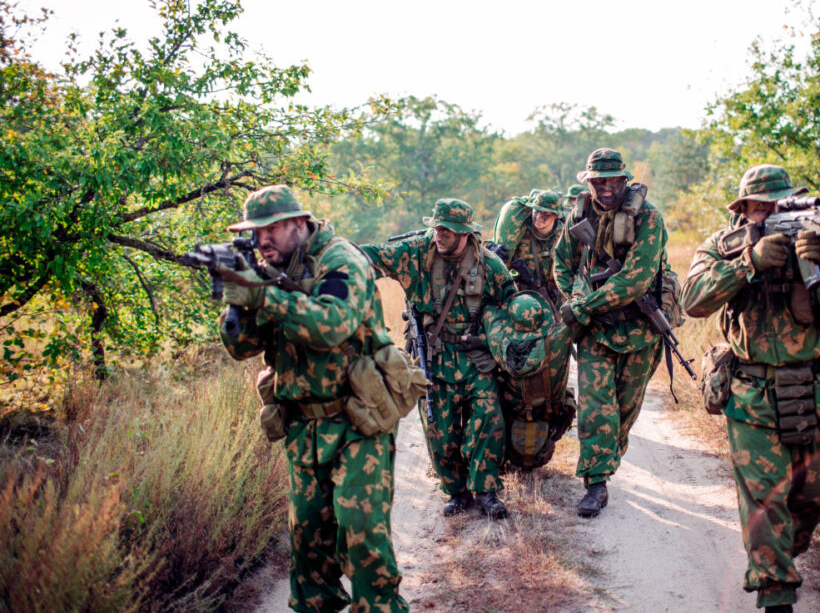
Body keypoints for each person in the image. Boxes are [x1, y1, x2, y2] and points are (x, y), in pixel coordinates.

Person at [681, 164, 820, 612]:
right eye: (762, 206)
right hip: (752, 394)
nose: (772, 212)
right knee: (767, 503)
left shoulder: (819, 243)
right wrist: (747, 263)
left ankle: (781, 557)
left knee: (814, 499)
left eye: (782, 204)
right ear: (744, 209)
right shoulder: (721, 246)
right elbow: (692, 301)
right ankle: (776, 594)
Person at [217, 185, 409, 613]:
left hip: (358, 420)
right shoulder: (269, 269)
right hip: (303, 425)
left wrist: (265, 296)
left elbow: (332, 326)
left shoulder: (341, 260)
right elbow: (241, 348)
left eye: (272, 229)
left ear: (300, 224)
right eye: (255, 232)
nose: (262, 240)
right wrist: (239, 301)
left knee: (362, 538)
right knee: (307, 545)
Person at [362, 198, 516, 519]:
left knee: (487, 420)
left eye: (447, 230)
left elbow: (511, 306)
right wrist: (329, 254)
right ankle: (456, 492)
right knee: (439, 431)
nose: (439, 234)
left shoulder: (489, 265)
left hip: (476, 359)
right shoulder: (416, 253)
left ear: (465, 233)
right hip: (434, 357)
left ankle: (486, 490)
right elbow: (370, 256)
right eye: (437, 227)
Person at [552, 148, 668, 517]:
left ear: (624, 180)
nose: (604, 188)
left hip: (639, 327)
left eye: (612, 181)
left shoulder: (648, 218)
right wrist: (576, 294)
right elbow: (561, 263)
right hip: (596, 331)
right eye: (597, 181)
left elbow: (637, 278)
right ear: (589, 182)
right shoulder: (579, 213)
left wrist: (584, 306)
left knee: (625, 408)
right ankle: (596, 482)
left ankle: (607, 459)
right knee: (595, 406)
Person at [481, 290, 576, 470]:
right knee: (568, 395)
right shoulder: (558, 341)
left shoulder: (498, 343)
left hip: (510, 441)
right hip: (544, 446)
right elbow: (575, 316)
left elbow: (489, 312)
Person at [492, 189, 566, 312]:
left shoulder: (563, 237)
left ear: (556, 215)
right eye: (536, 212)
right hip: (523, 298)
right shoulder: (520, 233)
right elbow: (502, 268)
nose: (538, 218)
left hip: (555, 295)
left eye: (545, 215)